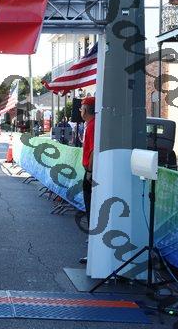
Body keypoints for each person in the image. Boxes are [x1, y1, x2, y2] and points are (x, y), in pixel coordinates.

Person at [79, 97, 95, 265]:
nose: (80, 111)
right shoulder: (90, 125)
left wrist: (90, 171)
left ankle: (93, 252)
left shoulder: (92, 126)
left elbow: (93, 151)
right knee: (90, 210)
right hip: (90, 171)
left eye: (81, 108)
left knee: (91, 211)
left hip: (91, 172)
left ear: (86, 110)